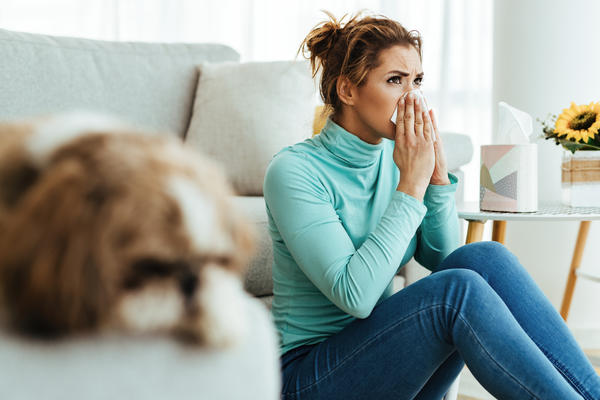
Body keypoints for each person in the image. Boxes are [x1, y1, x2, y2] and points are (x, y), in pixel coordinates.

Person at [262, 10, 600, 400]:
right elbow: (355, 297)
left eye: (417, 81)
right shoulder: (294, 171)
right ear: (347, 91)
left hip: (390, 361)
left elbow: (444, 259)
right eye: (395, 81)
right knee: (456, 291)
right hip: (309, 378)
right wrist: (411, 185)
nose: (413, 97)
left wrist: (436, 180)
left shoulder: (399, 157)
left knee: (484, 258)